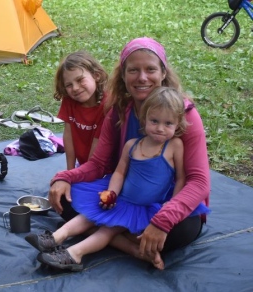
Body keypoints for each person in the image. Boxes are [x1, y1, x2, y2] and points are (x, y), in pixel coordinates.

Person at [44, 37, 211, 267]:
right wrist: (65, 177)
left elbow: (199, 181)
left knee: (181, 231)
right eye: (133, 70)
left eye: (150, 69)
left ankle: (109, 235)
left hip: (167, 202)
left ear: (163, 72)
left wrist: (164, 219)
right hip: (126, 194)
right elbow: (99, 165)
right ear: (123, 76)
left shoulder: (186, 115)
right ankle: (133, 246)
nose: (142, 78)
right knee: (63, 196)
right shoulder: (120, 111)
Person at [53, 51, 108, 169]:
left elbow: (97, 144)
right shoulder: (69, 100)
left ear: (96, 76)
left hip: (104, 168)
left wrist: (81, 174)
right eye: (69, 85)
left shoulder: (107, 105)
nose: (75, 88)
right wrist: (70, 170)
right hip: (84, 166)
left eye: (80, 80)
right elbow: (68, 135)